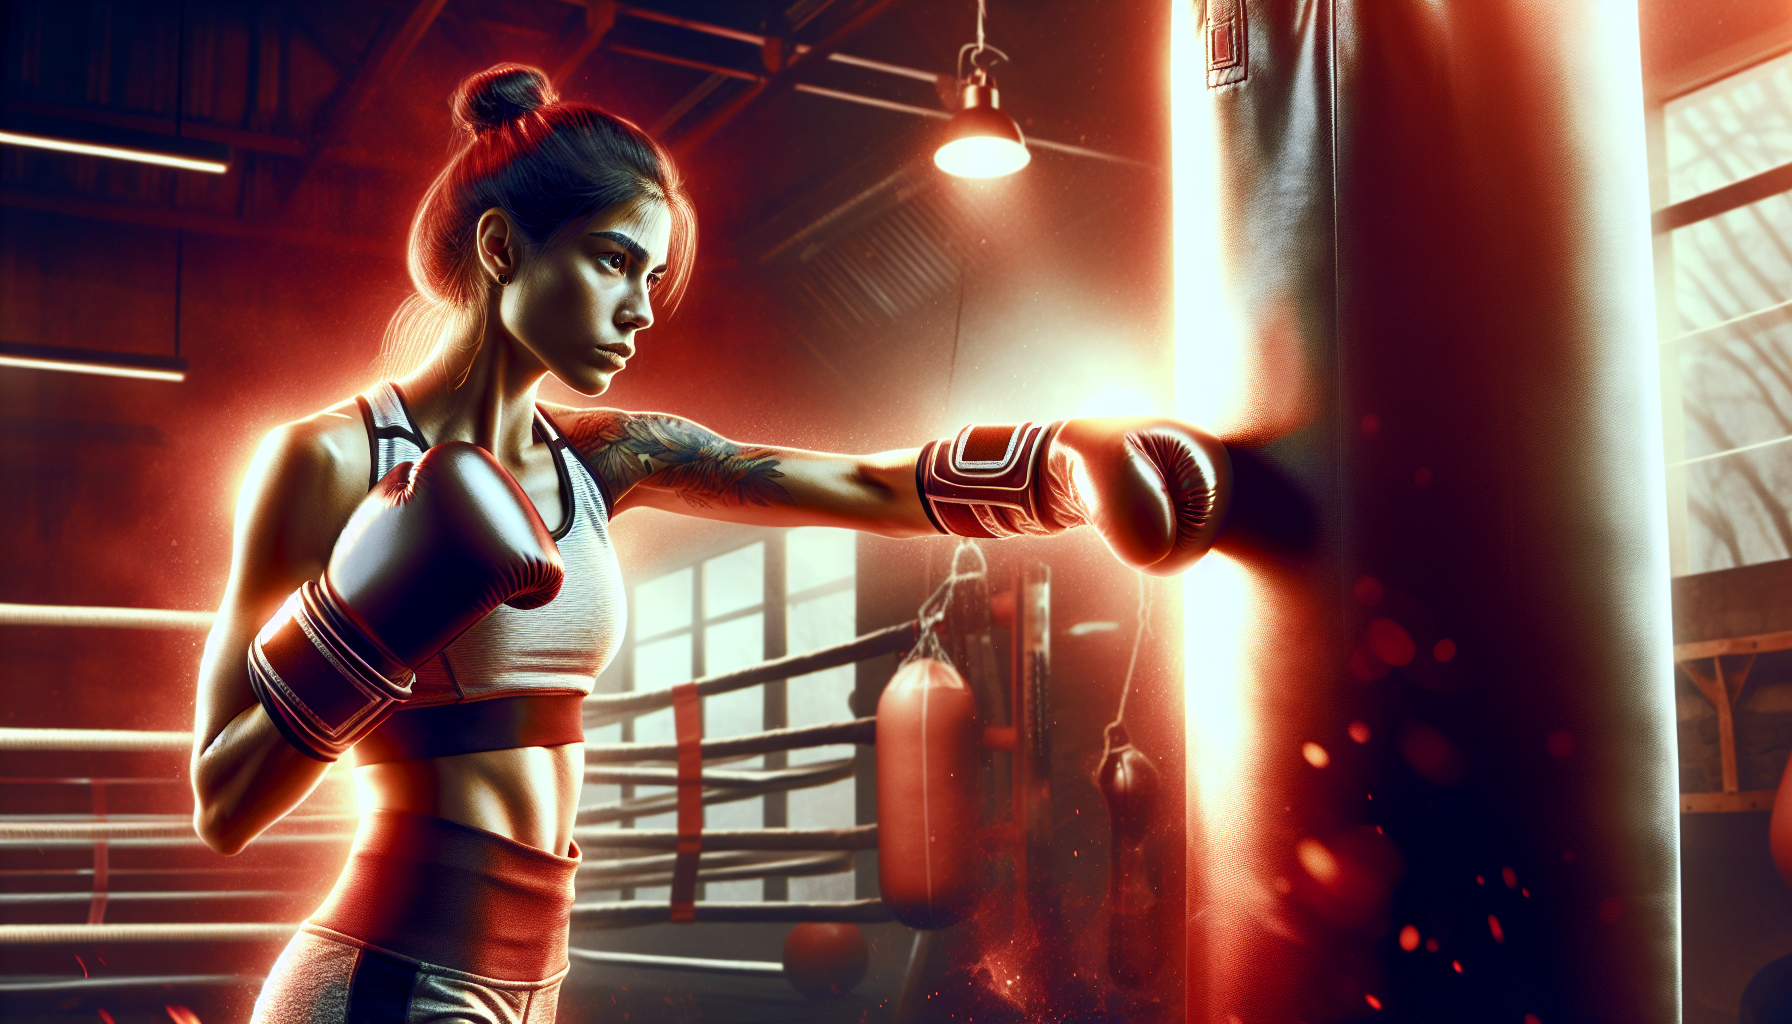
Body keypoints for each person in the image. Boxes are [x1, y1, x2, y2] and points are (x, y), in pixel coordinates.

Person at [190, 62, 1229, 1024]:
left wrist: (1056, 468)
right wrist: (368, 618)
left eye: (651, 276)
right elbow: (223, 798)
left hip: (528, 977)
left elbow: (856, 481)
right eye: (612, 263)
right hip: (385, 975)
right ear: (503, 248)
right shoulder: (326, 461)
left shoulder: (609, 457)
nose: (641, 310)